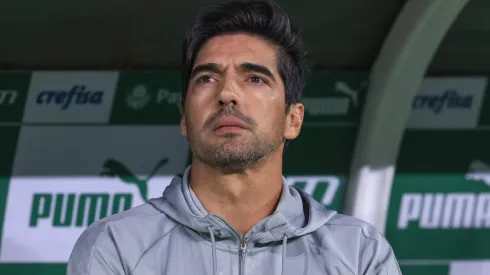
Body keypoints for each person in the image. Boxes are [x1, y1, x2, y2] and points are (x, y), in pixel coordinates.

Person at [67, 1, 402, 274]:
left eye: (255, 78)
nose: (227, 93)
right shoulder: (116, 245)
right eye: (207, 78)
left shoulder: (359, 252)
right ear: (185, 117)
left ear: (293, 119)